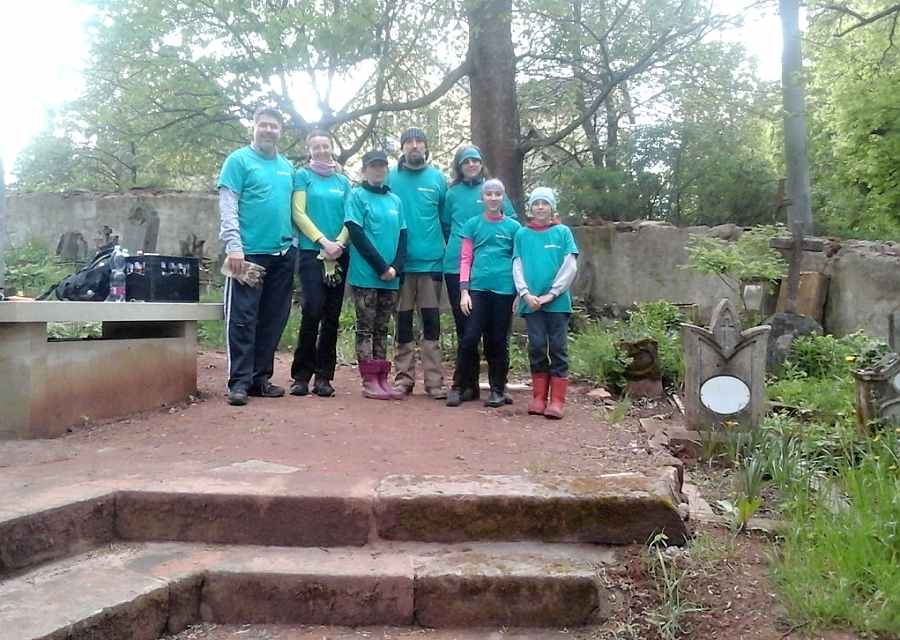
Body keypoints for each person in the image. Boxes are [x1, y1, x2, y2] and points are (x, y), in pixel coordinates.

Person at [218, 106, 297, 406]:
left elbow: (292, 208)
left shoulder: (287, 167)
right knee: (242, 318)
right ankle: (239, 382)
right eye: (263, 124)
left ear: (280, 131)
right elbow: (228, 205)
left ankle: (260, 379)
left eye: (273, 126)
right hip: (247, 254)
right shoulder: (238, 161)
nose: (268, 130)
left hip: (283, 254)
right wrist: (233, 246)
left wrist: (294, 244)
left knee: (273, 319)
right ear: (253, 126)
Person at [442, 146, 517, 404]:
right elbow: (446, 224)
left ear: (482, 163)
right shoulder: (451, 193)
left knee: (496, 333)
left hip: (495, 277)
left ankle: (498, 386)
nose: (471, 164)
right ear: (459, 166)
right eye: (466, 161)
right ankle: (465, 384)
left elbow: (511, 227)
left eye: (475, 160)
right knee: (466, 330)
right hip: (458, 268)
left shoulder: (492, 189)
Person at [288, 130, 352, 398]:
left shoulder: (343, 181)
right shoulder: (302, 176)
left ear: (331, 148)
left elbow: (351, 216)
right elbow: (298, 212)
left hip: (339, 253)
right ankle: (301, 376)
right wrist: (323, 241)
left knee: (332, 316)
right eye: (316, 147)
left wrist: (339, 243)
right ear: (309, 150)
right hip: (311, 252)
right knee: (312, 310)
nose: (322, 150)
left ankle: (324, 377)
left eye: (326, 146)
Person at [385, 128, 448, 399]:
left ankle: (434, 382)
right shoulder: (389, 178)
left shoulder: (438, 179)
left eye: (419, 141)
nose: (414, 145)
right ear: (402, 147)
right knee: (403, 324)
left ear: (425, 147)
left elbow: (446, 221)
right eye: (408, 142)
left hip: (431, 265)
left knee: (431, 324)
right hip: (399, 266)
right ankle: (404, 378)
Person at [344, 150, 407, 400]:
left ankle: (382, 377)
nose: (378, 170)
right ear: (364, 170)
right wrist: (381, 267)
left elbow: (403, 235)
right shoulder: (357, 196)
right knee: (366, 328)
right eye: (373, 166)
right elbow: (356, 234)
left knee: (383, 327)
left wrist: (396, 268)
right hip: (366, 275)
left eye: (382, 166)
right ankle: (369, 379)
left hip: (391, 277)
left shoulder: (395, 201)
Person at [513, 187, 579, 419]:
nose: (540, 207)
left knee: (558, 348)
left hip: (557, 303)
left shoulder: (562, 232)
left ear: (552, 207)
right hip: (531, 303)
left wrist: (552, 294)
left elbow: (570, 266)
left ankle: (557, 401)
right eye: (536, 203)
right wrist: (524, 294)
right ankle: (539, 397)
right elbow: (517, 265)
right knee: (537, 346)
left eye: (545, 203)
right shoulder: (522, 234)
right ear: (530, 208)